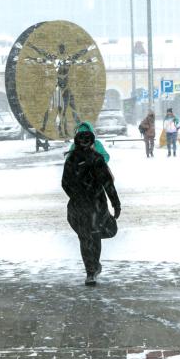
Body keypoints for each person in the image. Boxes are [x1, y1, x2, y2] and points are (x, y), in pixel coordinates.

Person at [61, 122, 121, 286]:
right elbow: (108, 184)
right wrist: (116, 204)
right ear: (92, 141)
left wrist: (76, 196)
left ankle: (90, 271)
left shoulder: (71, 159)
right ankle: (93, 268)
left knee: (84, 237)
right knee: (94, 236)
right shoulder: (97, 159)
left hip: (78, 207)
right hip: (96, 206)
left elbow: (65, 183)